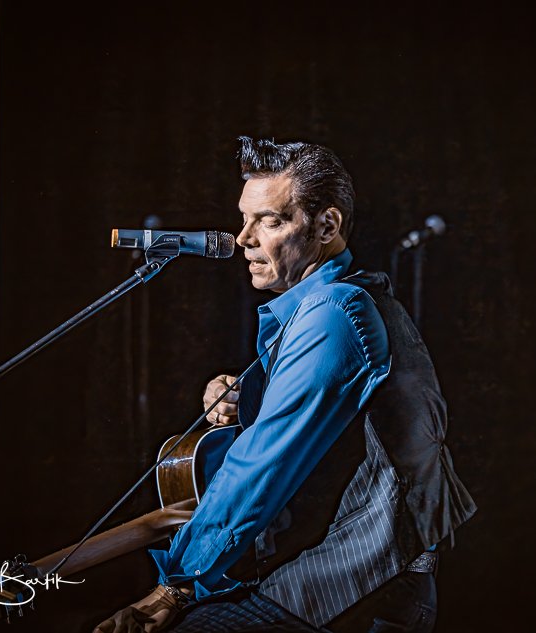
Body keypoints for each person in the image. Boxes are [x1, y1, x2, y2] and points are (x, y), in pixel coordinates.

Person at [94, 137, 476, 633]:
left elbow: (262, 464)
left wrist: (177, 585)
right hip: (341, 579)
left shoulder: (334, 313)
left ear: (327, 226)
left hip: (351, 588)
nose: (242, 238)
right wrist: (247, 399)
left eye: (269, 221)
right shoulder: (336, 303)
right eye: (244, 219)